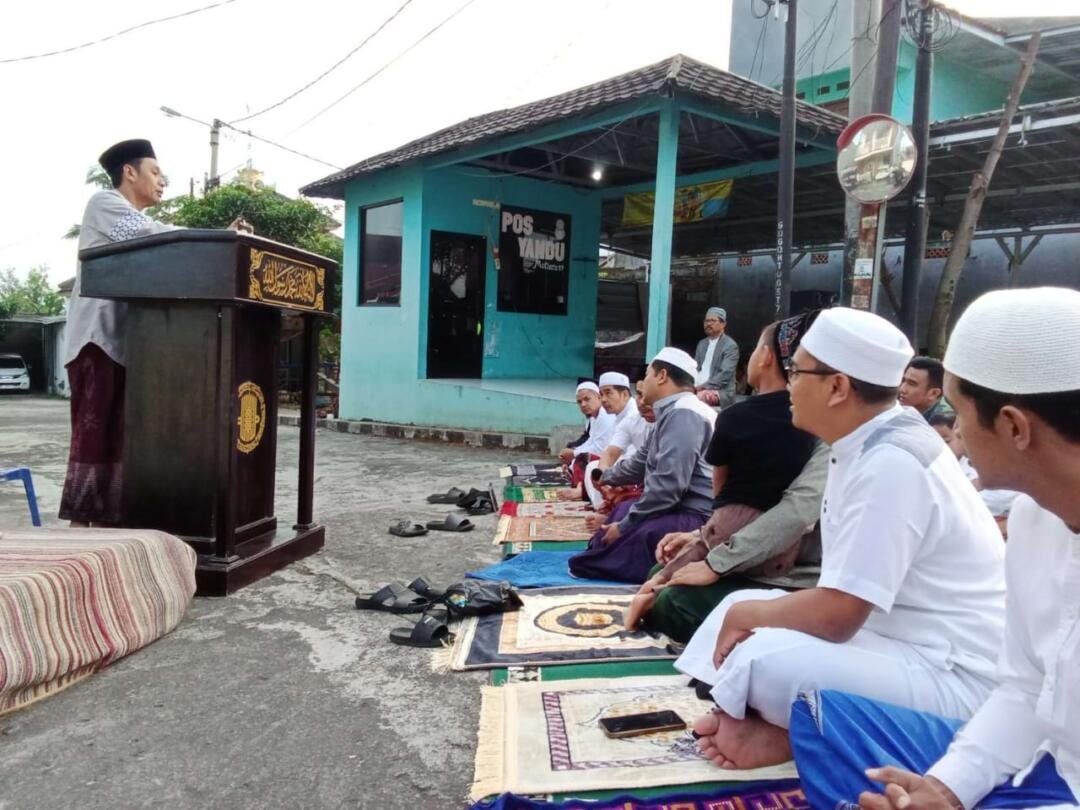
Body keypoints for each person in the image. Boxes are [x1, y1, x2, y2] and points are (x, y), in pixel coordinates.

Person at [784, 288, 1080, 810]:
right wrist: (946, 790)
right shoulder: (1034, 522)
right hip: (1040, 761)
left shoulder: (896, 461)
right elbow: (1024, 690)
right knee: (824, 718)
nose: (952, 433)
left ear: (1013, 426)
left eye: (958, 412)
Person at [676, 307, 1006, 774]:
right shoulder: (867, 441)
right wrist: (747, 612)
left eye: (796, 372)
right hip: (897, 637)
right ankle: (776, 723)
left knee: (763, 657)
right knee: (738, 615)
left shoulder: (890, 462)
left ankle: (785, 728)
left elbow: (838, 617)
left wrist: (748, 615)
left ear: (837, 387)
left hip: (953, 675)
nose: (789, 385)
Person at [624, 311, 825, 643]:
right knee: (659, 571)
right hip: (742, 543)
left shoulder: (832, 438)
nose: (791, 386)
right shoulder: (676, 412)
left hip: (793, 574)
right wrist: (698, 537)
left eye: (799, 373)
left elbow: (793, 513)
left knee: (674, 601)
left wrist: (715, 561)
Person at [59, 140, 175, 526]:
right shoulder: (104, 203)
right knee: (94, 435)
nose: (163, 181)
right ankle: (80, 528)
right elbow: (150, 236)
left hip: (127, 346)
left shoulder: (134, 216)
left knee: (120, 439)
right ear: (130, 172)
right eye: (155, 172)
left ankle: (109, 528)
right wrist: (213, 235)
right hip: (97, 341)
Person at [569, 348, 716, 584]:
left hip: (696, 516)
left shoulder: (685, 415)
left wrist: (625, 526)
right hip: (677, 507)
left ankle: (599, 560)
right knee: (622, 511)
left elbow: (668, 488)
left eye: (646, 376)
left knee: (635, 533)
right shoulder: (670, 413)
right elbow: (640, 462)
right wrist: (606, 476)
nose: (643, 383)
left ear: (662, 376)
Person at [577, 372, 649, 508]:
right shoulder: (627, 419)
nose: (603, 400)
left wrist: (611, 476)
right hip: (630, 469)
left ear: (625, 395)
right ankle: (606, 507)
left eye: (608, 393)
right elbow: (610, 453)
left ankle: (608, 509)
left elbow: (636, 459)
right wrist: (602, 478)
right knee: (594, 468)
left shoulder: (644, 416)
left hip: (643, 474)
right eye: (601, 394)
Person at [558, 381, 616, 485]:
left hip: (614, 459)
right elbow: (590, 441)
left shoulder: (605, 416)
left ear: (598, 397)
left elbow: (600, 449)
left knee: (582, 461)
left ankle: (581, 489)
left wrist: (574, 454)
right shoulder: (594, 417)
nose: (583, 405)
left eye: (587, 399)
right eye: (579, 402)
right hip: (604, 456)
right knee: (574, 457)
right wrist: (573, 452)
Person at [694, 307, 739, 407]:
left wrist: (702, 387)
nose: (708, 324)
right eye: (706, 321)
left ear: (723, 324)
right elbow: (695, 368)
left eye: (713, 321)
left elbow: (724, 375)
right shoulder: (702, 344)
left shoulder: (730, 345)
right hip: (698, 387)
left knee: (696, 399)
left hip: (720, 392)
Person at [900, 356, 953, 421]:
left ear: (934, 393)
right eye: (903, 380)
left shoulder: (940, 425)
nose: (902, 389)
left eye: (912, 384)